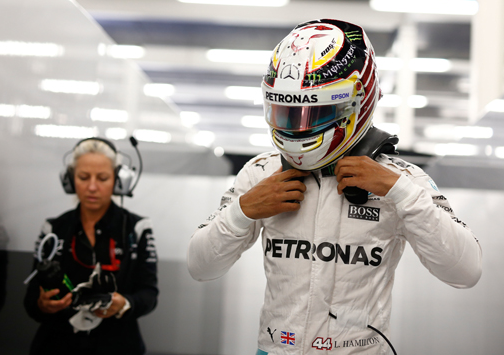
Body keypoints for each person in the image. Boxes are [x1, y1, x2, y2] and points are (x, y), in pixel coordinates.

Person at [187, 19, 482, 354]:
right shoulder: (261, 173)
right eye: (287, 111)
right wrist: (242, 212)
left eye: (315, 112)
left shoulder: (402, 180)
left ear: (357, 101)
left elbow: (466, 271)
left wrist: (400, 192)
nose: (298, 125)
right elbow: (200, 267)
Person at [23, 138, 158, 355]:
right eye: (83, 177)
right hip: (57, 345)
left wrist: (125, 303)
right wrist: (42, 304)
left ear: (118, 180)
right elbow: (31, 300)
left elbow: (149, 294)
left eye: (102, 178)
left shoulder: (138, 228)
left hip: (119, 346)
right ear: (70, 179)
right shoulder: (53, 229)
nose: (92, 187)